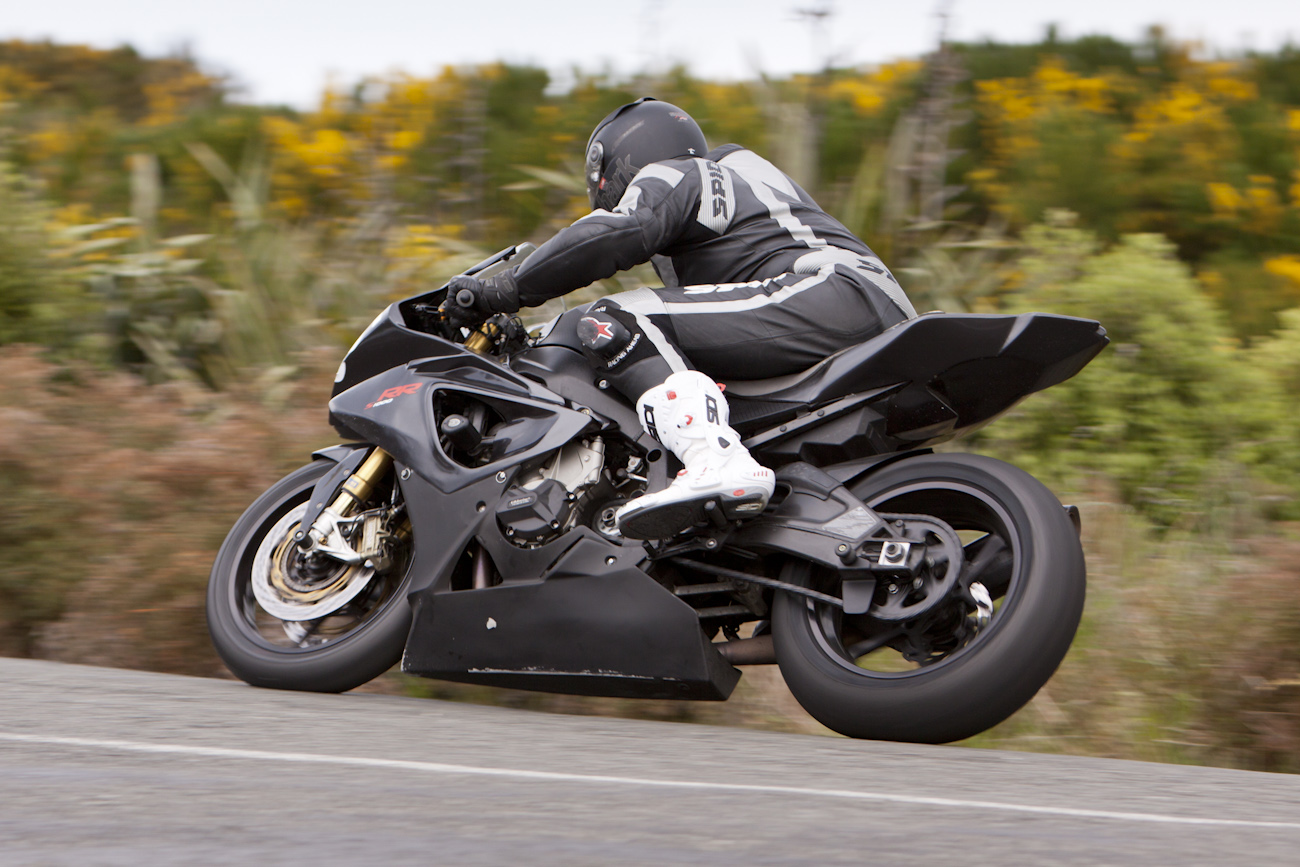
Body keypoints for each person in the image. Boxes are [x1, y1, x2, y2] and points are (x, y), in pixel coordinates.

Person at [445, 97, 916, 540]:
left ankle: (713, 459)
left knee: (613, 317)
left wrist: (501, 291)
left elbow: (617, 233)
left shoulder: (688, 172)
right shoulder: (737, 195)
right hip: (850, 304)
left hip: (835, 291)